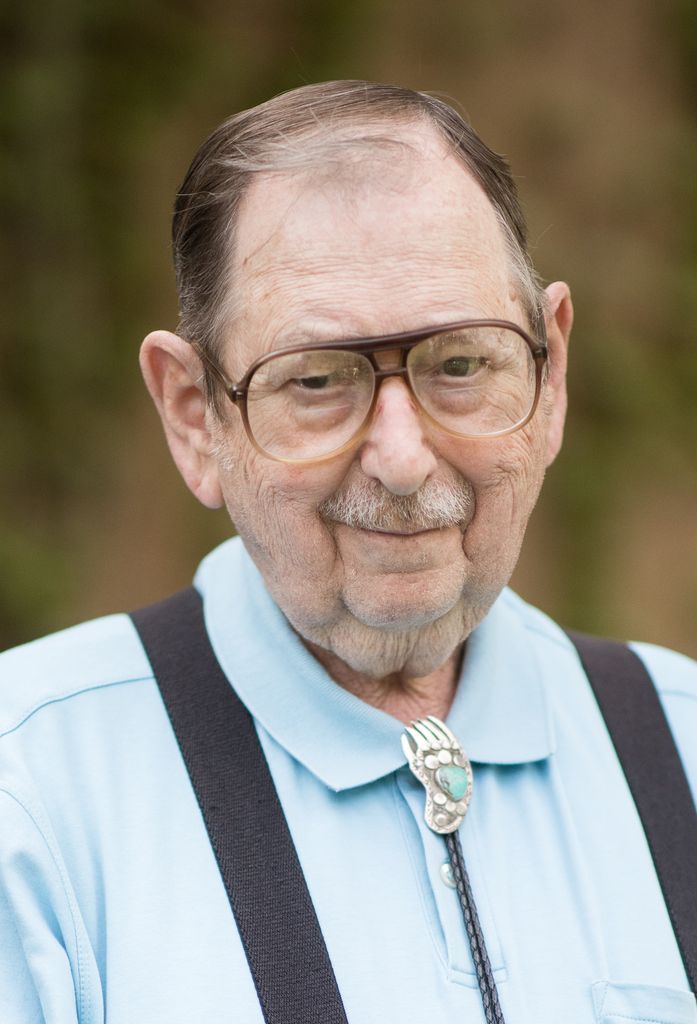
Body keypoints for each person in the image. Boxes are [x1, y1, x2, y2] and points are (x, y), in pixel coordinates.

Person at [1, 80, 695, 1023]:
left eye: (461, 363)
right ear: (195, 416)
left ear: (551, 374)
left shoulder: (684, 745)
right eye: (318, 380)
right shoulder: (30, 797)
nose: (402, 460)